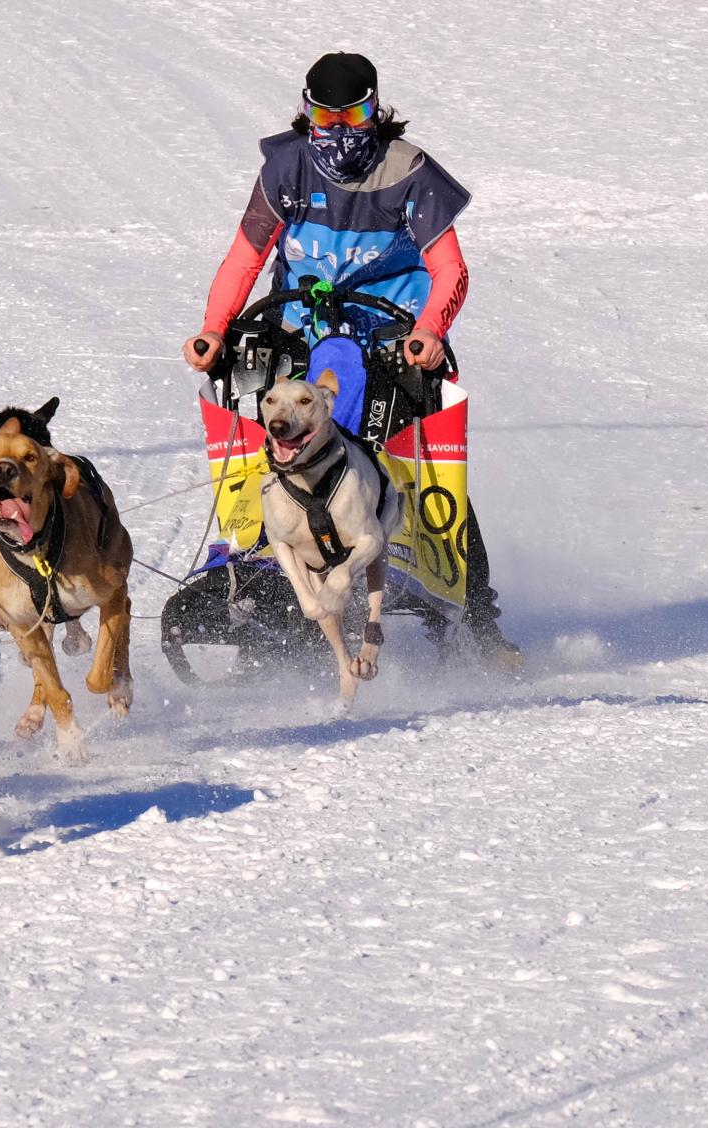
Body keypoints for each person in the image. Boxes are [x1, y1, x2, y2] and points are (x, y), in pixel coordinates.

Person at [181, 51, 521, 670]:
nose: (339, 129)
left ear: (376, 108)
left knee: (432, 478)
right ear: (307, 111)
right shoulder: (286, 167)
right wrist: (212, 330)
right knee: (257, 412)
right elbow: (244, 259)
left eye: (356, 113)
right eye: (324, 114)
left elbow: (450, 270)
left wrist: (430, 331)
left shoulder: (408, 171)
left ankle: (480, 616)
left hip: (394, 336)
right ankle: (259, 562)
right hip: (299, 329)